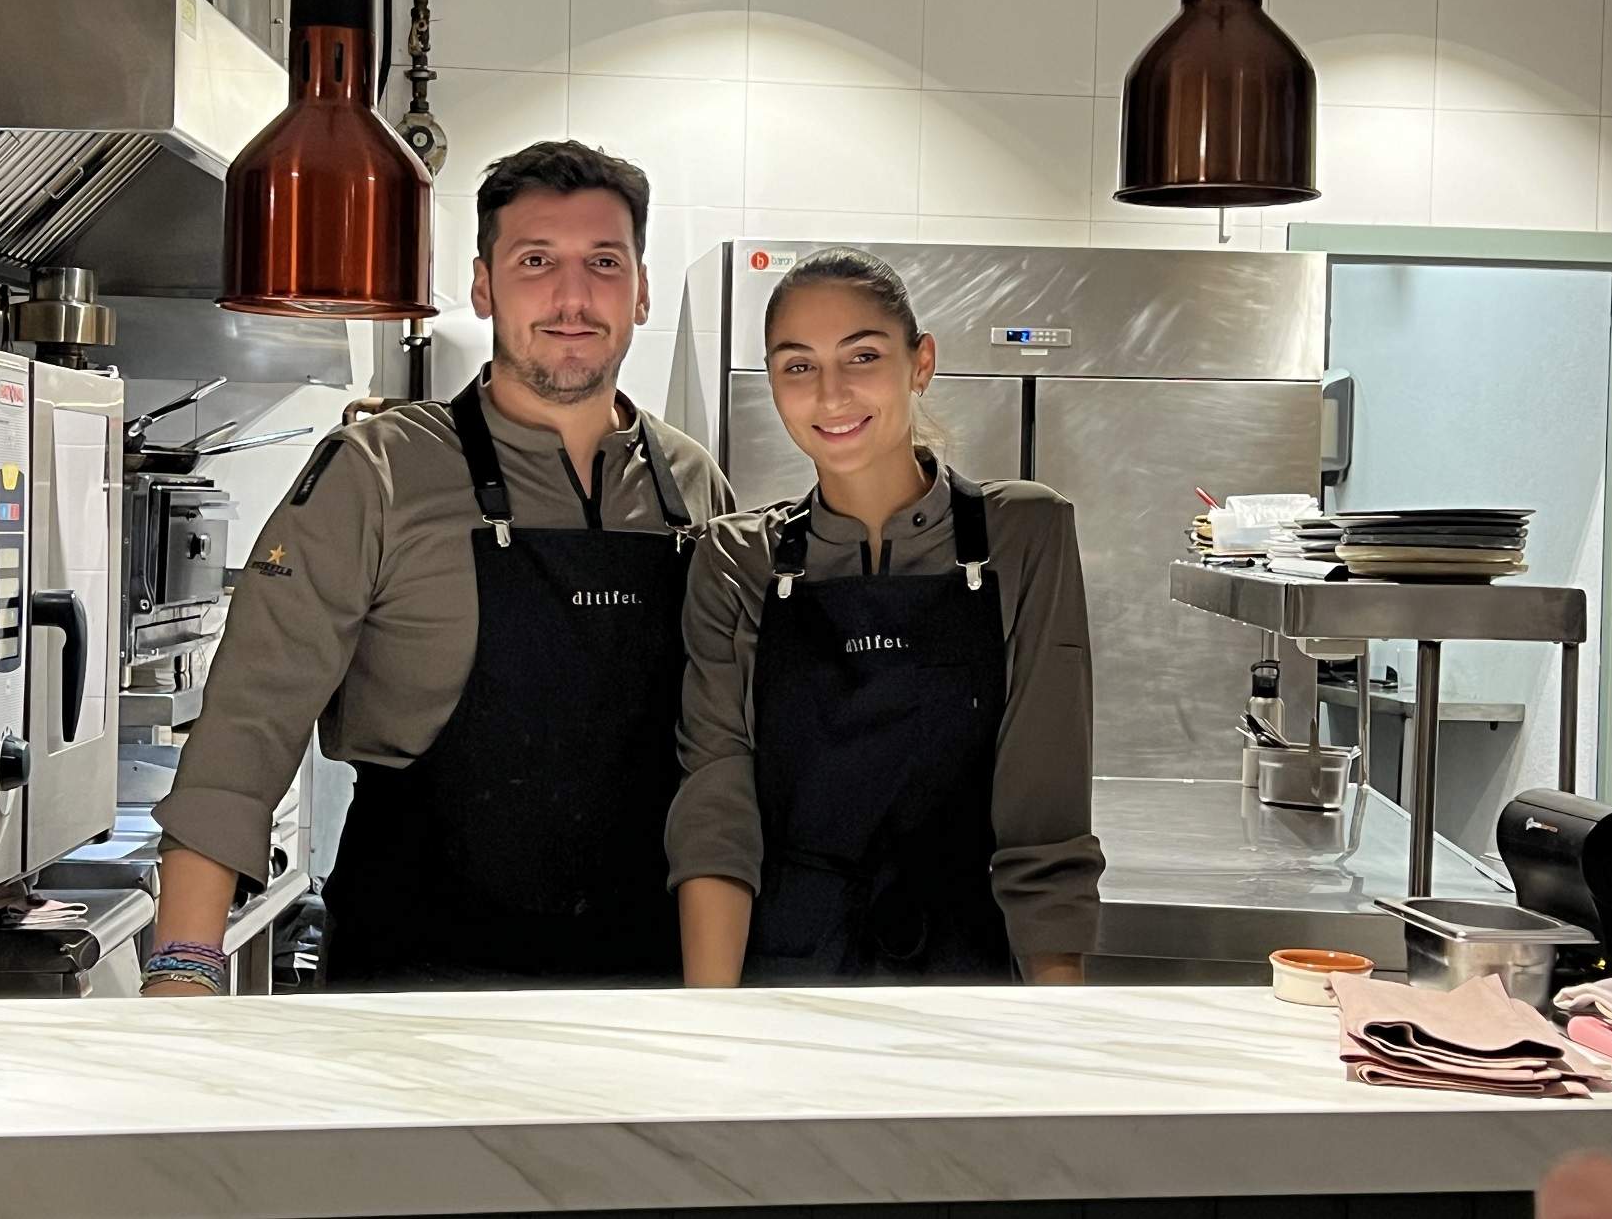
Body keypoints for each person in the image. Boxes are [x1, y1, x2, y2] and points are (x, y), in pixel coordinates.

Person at [146, 141, 733, 995]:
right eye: (537, 261)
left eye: (604, 263)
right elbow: (248, 723)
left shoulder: (693, 485)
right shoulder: (376, 472)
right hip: (414, 983)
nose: (573, 297)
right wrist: (184, 964)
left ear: (640, 290)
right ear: (485, 285)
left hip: (647, 985)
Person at [666, 247, 1103, 988]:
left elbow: (1045, 821)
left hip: (968, 978)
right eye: (798, 367)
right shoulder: (736, 558)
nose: (831, 395)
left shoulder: (1024, 533)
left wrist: (1051, 1040)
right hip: (786, 970)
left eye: (861, 356)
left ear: (920, 362)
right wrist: (715, 1029)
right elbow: (717, 811)